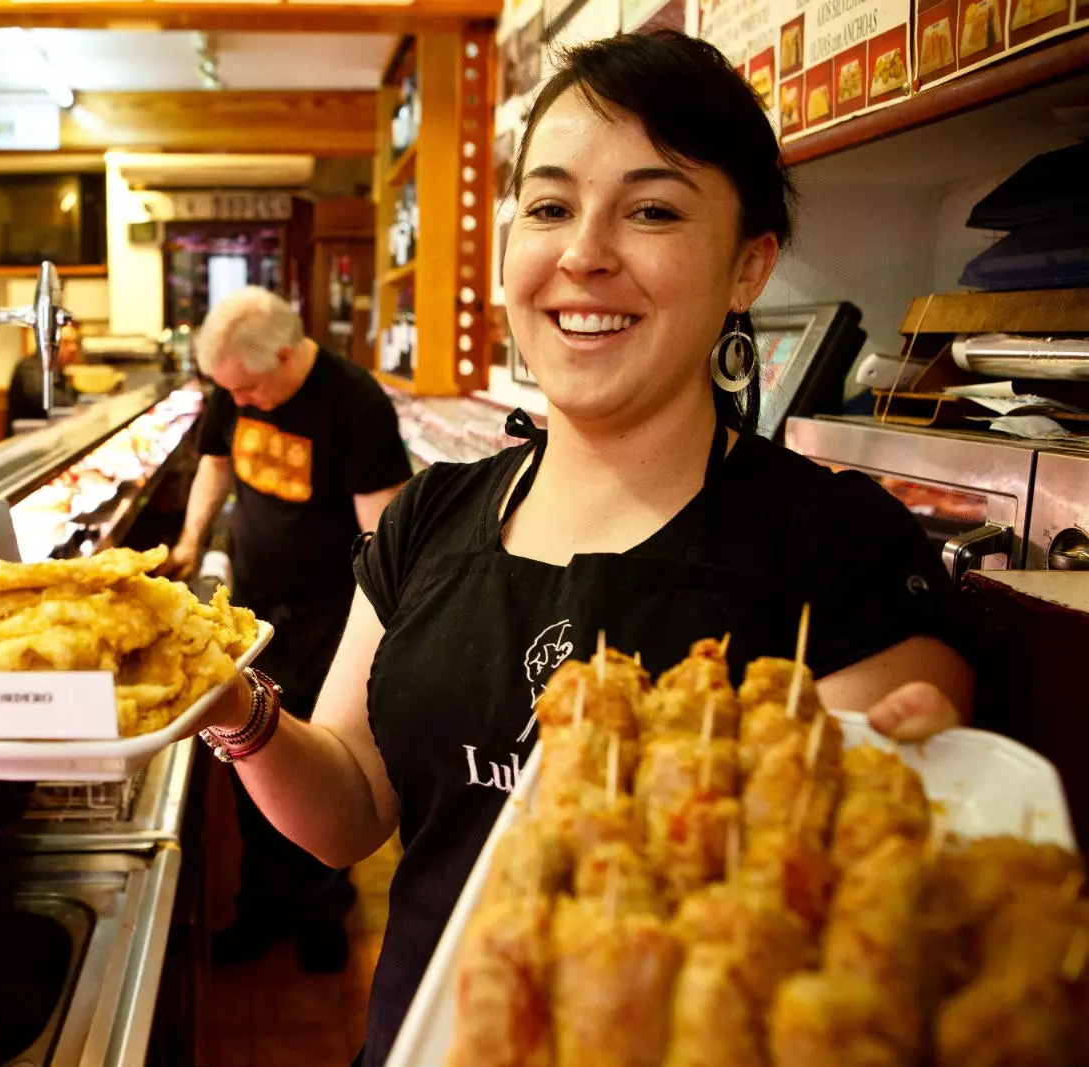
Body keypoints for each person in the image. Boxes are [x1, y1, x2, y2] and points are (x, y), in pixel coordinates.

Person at [189, 32, 972, 1066]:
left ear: (747, 264)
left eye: (651, 209)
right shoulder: (427, 518)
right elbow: (347, 809)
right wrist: (232, 708)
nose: (582, 252)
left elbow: (853, 874)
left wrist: (907, 760)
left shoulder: (836, 542)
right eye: (550, 206)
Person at [166, 285, 413, 974]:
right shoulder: (235, 382)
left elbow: (382, 532)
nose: (238, 402)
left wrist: (386, 634)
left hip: (329, 617)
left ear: (283, 354)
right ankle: (262, 904)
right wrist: (190, 539)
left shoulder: (354, 403)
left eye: (246, 389)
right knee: (250, 755)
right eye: (228, 391)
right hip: (254, 605)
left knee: (319, 760)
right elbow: (216, 460)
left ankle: (321, 909)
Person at [6, 319, 80, 426]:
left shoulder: (57, 371)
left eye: (75, 342)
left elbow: (75, 397)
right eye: (66, 342)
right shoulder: (29, 368)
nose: (73, 348)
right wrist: (75, 408)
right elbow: (47, 398)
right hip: (30, 439)